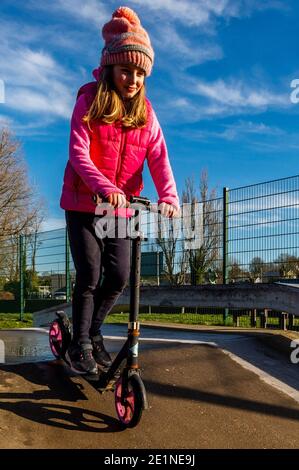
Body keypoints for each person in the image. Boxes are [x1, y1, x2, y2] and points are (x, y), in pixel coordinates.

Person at [60, 6, 180, 376]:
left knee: (120, 276)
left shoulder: (146, 113)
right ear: (111, 66)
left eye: (140, 72)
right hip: (84, 203)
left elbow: (159, 156)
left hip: (120, 210)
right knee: (90, 273)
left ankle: (93, 332)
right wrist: (105, 187)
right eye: (126, 69)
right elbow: (78, 152)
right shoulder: (90, 99)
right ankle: (79, 344)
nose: (133, 78)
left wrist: (169, 196)